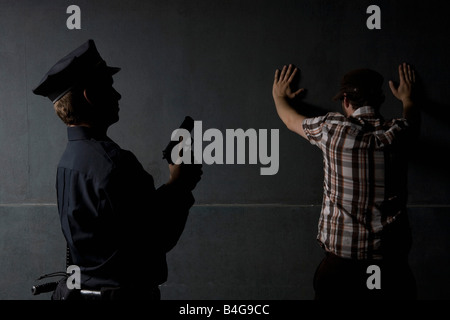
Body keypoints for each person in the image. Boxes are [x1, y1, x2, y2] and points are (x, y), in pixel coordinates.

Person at [32, 39, 202, 300]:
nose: (118, 95)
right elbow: (156, 238)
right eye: (109, 86)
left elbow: (117, 229)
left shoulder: (68, 161)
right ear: (90, 95)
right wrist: (180, 184)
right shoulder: (114, 163)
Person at [272, 63, 420, 299]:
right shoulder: (399, 132)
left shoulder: (332, 129)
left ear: (346, 101)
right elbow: (411, 117)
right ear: (380, 100)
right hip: (391, 268)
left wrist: (279, 96)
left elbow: (290, 121)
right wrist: (408, 99)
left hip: (340, 270)